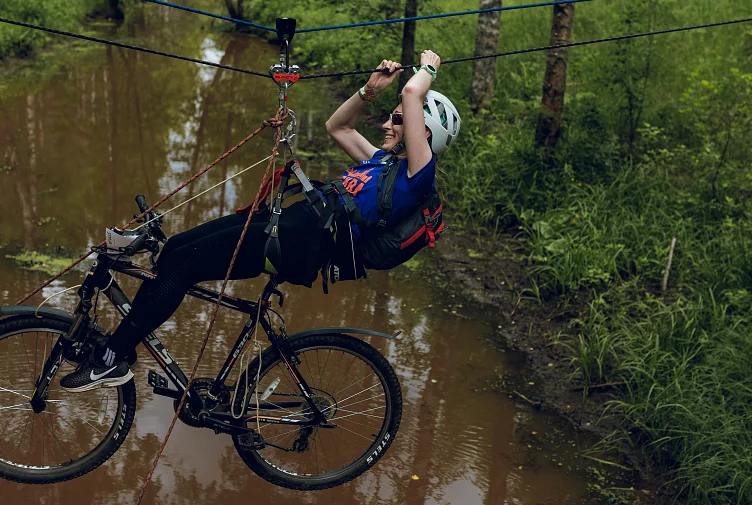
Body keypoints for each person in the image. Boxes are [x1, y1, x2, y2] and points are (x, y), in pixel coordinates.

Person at [60, 50, 461, 392]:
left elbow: (412, 92)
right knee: (177, 248)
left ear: (422, 131)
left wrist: (427, 70)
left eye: (397, 119)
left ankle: (115, 355)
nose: (389, 124)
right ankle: (119, 349)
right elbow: (337, 127)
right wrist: (369, 90)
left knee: (183, 267)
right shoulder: (382, 163)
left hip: (299, 245)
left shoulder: (418, 178)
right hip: (286, 224)